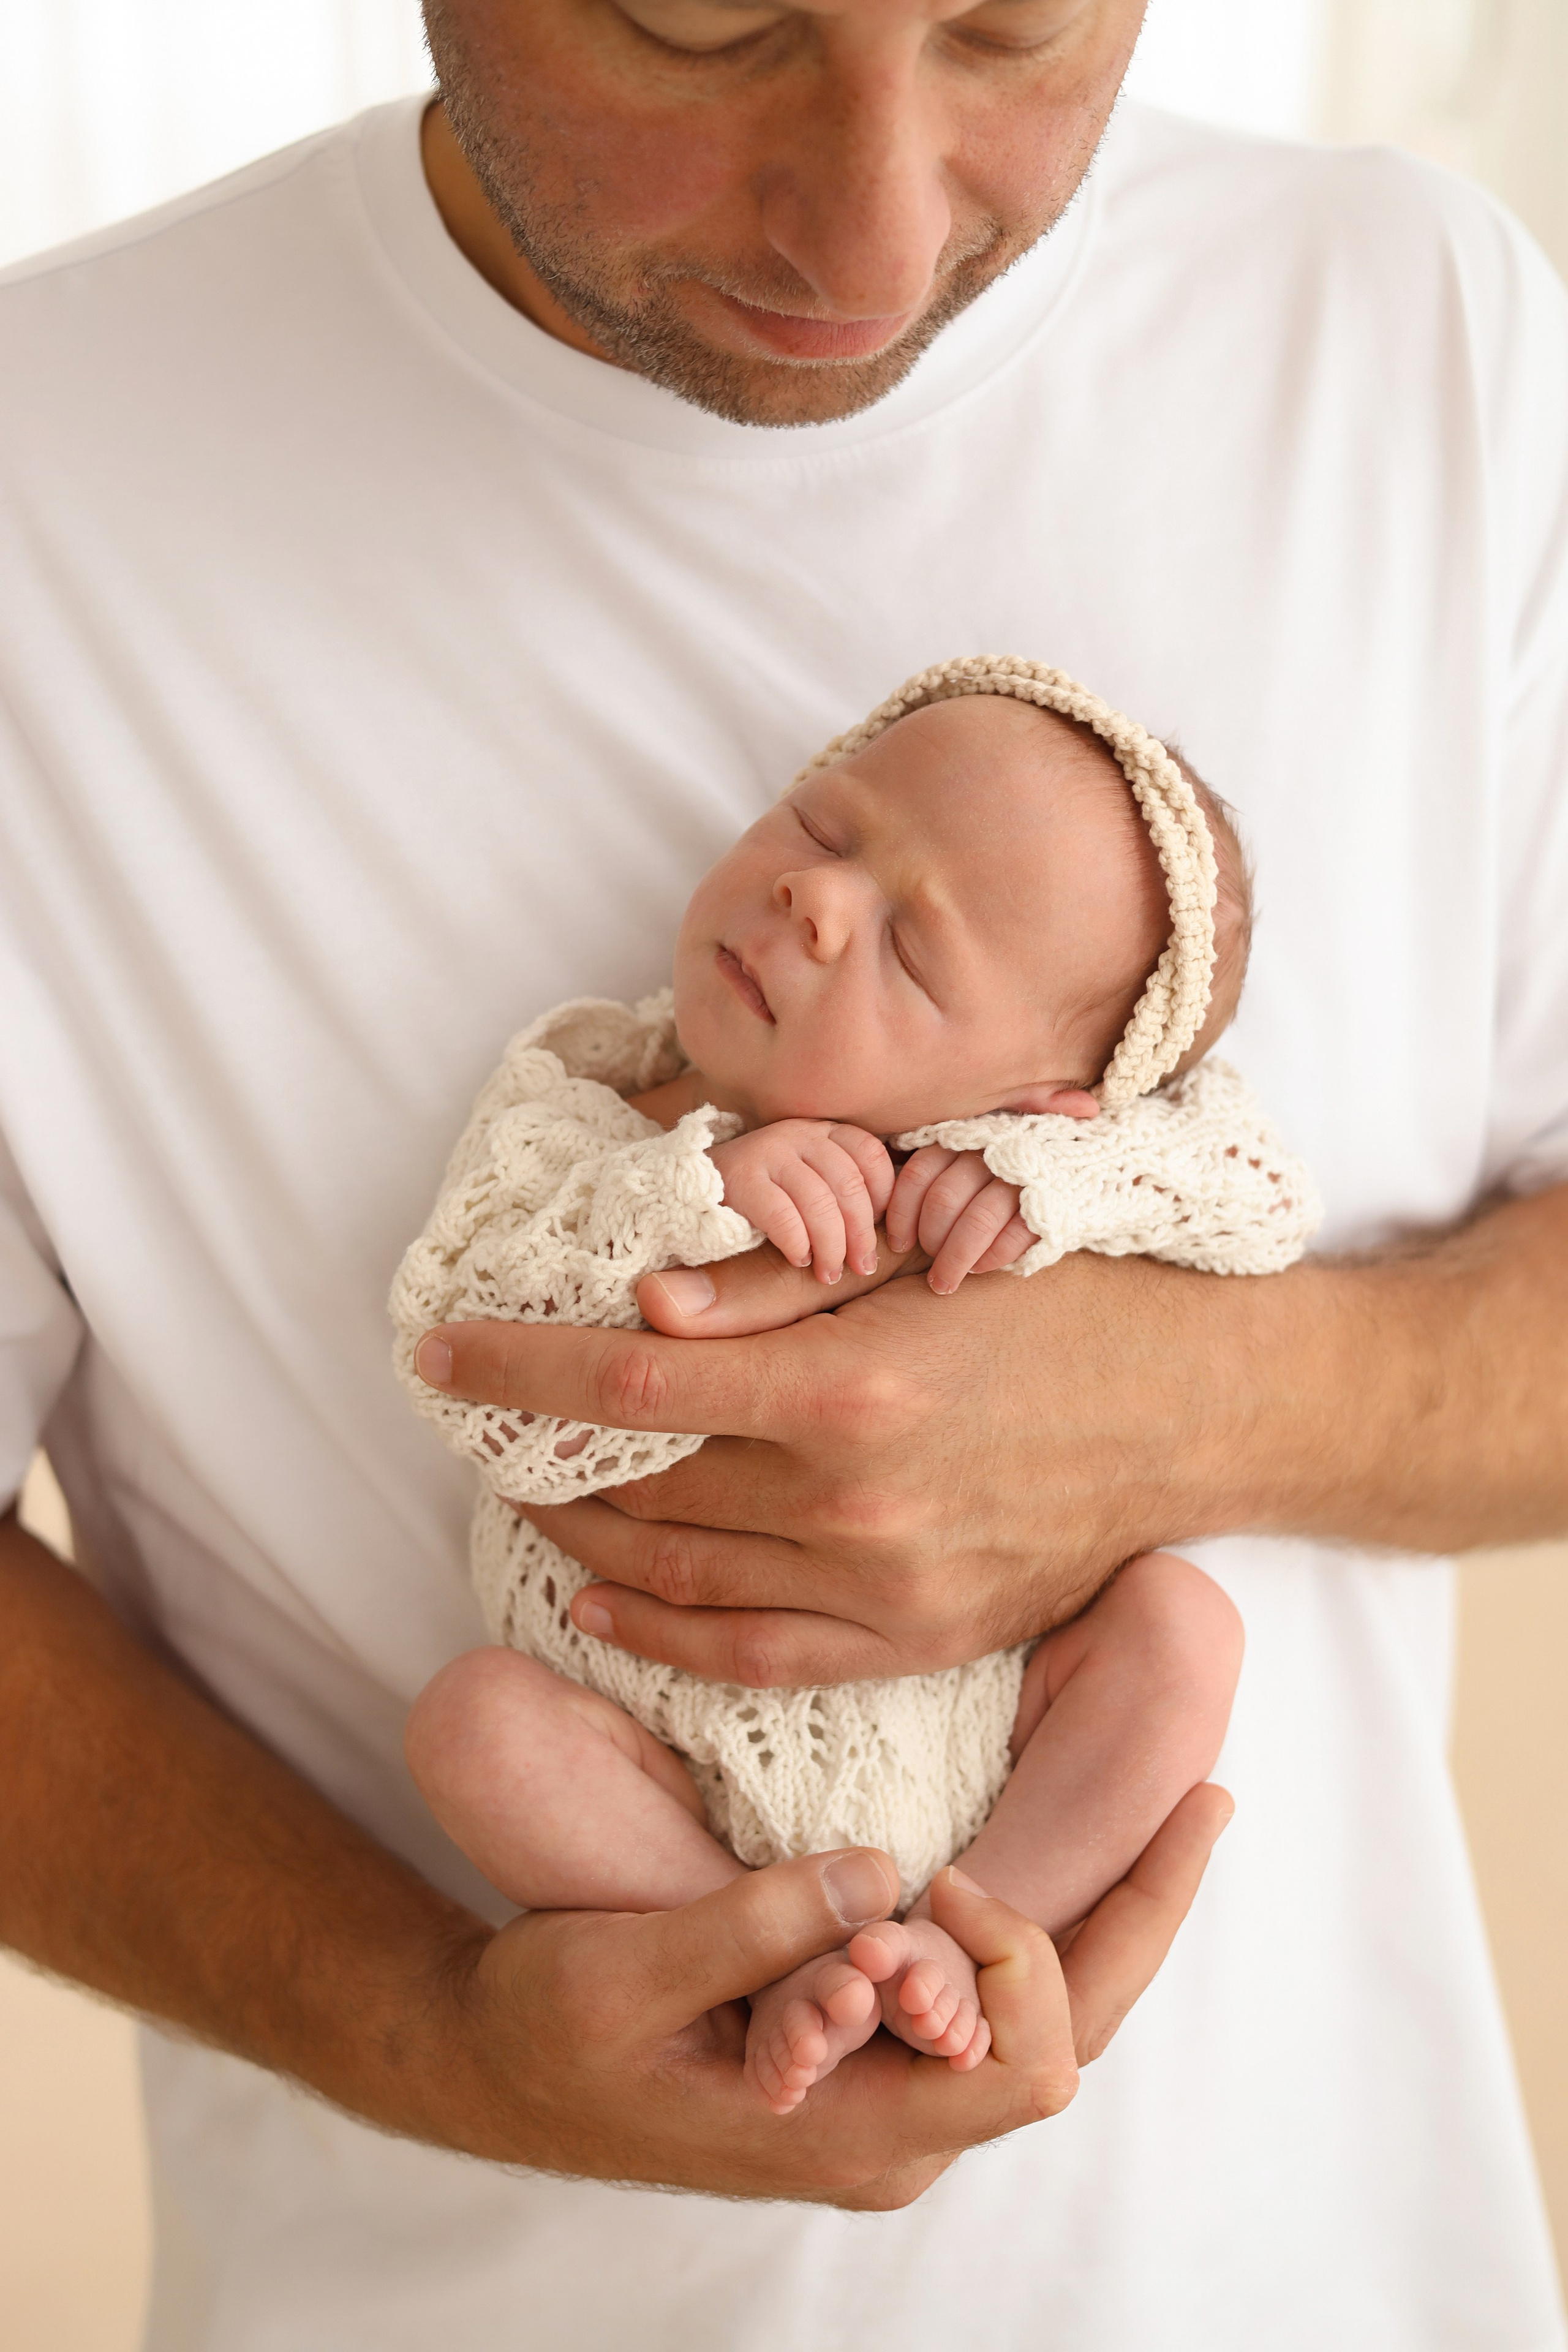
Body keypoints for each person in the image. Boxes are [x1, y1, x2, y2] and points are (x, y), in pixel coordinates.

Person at [0, 0, 1564, 2340]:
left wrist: (1172, 1412)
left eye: (1013, 27)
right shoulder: (52, 485)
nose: (879, 226)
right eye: (704, 22)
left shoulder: (1417, 337)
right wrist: (428, 2026)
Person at [395, 663, 1298, 2113]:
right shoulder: (593, 1105)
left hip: (988, 1744)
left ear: (1036, 1096)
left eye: (912, 954)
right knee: (468, 1728)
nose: (814, 902)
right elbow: (456, 1338)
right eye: (819, 828)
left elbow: (1253, 1199)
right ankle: (752, 1946)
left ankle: (977, 1929)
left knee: (1181, 1636)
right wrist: (689, 1189)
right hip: (643, 1757)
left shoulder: (1018, 1168)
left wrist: (1042, 1181)